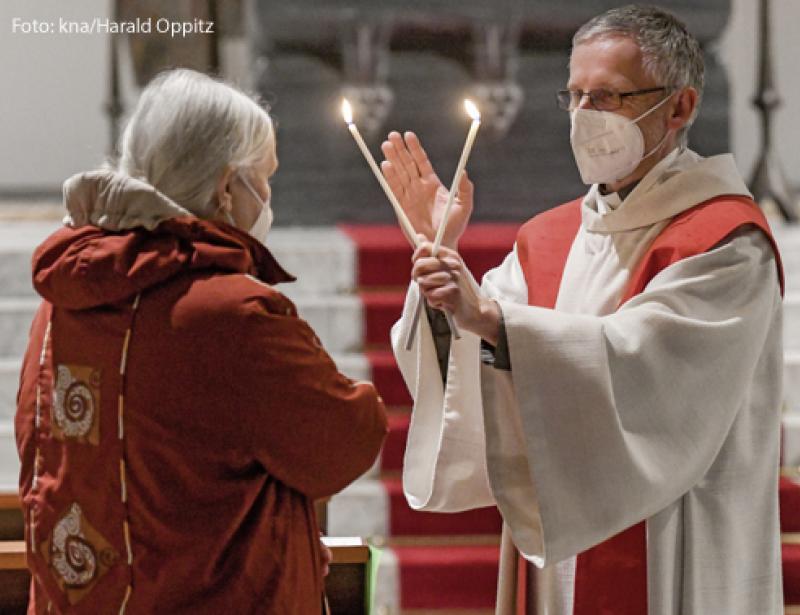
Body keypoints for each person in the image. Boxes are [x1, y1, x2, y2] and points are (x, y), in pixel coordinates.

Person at [380, 5, 784, 615]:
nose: (586, 116)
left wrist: (494, 322)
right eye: (575, 96)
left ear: (680, 108)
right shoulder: (548, 237)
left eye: (610, 96)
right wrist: (439, 257)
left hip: (676, 539)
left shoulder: (725, 241)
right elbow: (466, 351)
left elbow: (650, 371)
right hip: (561, 553)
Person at [16, 68, 388, 614]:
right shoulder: (231, 313)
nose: (266, 197)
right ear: (225, 186)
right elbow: (342, 441)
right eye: (263, 179)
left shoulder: (63, 301)